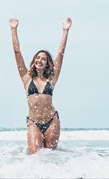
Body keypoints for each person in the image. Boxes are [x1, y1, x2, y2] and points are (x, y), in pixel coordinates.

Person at [9, 17, 72, 154]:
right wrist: (14, 29)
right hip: (34, 123)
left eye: (43, 59)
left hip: (52, 122)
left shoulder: (52, 79)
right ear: (34, 61)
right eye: (38, 58)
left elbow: (61, 53)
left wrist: (65, 31)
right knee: (34, 158)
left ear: (47, 63)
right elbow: (17, 52)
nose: (40, 60)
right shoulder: (26, 78)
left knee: (50, 157)